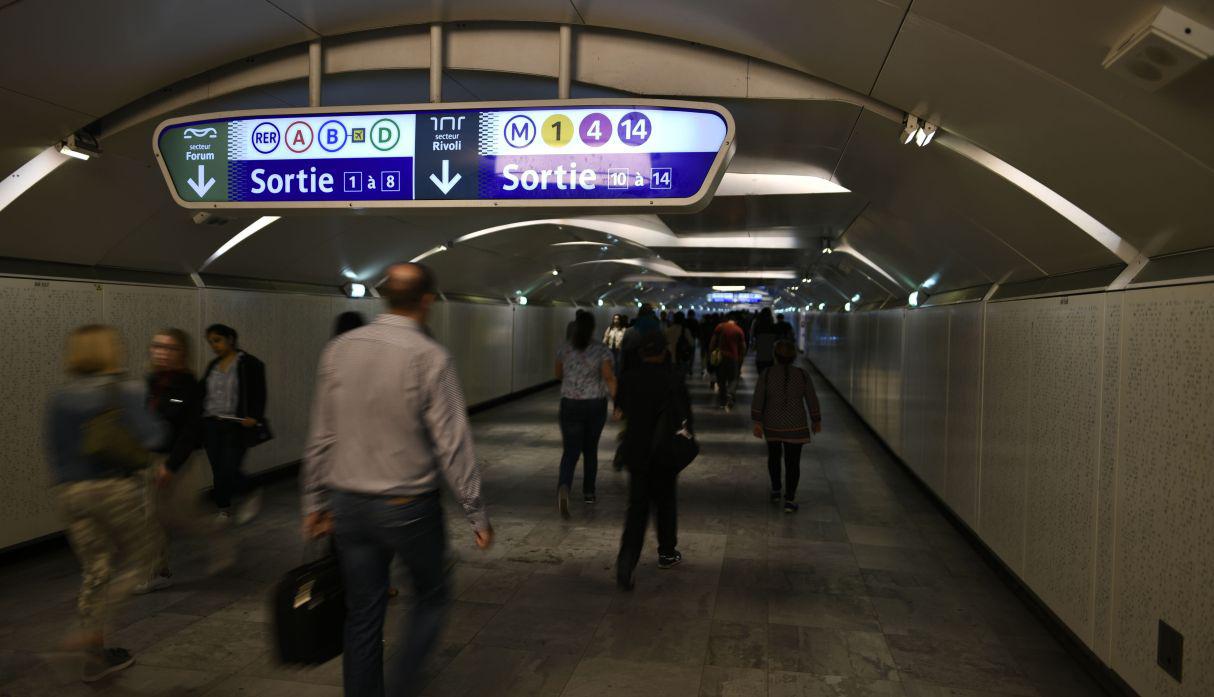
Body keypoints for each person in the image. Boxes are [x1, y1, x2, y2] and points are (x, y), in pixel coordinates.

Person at [302, 262, 493, 697]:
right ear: (427, 301)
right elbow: (454, 443)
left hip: (348, 504)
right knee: (432, 594)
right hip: (407, 506)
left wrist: (313, 502)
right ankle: (405, 683)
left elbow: (321, 433)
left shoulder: (340, 349)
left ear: (385, 296)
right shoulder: (431, 356)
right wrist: (476, 513)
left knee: (363, 611)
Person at [46, 325, 166, 682]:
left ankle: (95, 657)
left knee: (96, 571)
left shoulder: (59, 397)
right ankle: (85, 633)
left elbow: (55, 451)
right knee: (146, 556)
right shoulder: (124, 389)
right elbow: (155, 435)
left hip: (70, 493)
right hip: (112, 488)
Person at [137, 328, 229, 593]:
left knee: (183, 517)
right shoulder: (151, 381)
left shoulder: (191, 386)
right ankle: (156, 570)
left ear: (182, 353)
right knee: (150, 516)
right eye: (158, 346)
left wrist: (171, 466)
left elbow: (190, 432)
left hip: (179, 460)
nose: (162, 353)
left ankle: (218, 536)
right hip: (151, 458)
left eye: (170, 348)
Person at [614, 331, 691, 590]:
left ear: (641, 353)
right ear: (663, 351)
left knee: (636, 509)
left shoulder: (628, 378)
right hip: (665, 452)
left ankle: (626, 562)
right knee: (666, 503)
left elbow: (621, 409)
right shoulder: (673, 379)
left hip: (636, 453)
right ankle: (667, 553)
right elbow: (685, 416)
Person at [200, 324, 267, 525]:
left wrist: (254, 416)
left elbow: (259, 394)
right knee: (217, 469)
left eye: (217, 340)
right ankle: (223, 509)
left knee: (229, 467)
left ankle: (251, 489)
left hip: (236, 425)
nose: (214, 346)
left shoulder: (249, 363)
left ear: (230, 339)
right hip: (212, 423)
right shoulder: (213, 366)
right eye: (211, 342)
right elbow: (203, 392)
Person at [555, 312, 617, 515]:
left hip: (570, 404)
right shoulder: (601, 350)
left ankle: (564, 486)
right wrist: (619, 403)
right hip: (594, 405)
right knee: (590, 450)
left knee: (570, 450)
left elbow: (558, 374)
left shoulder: (564, 348)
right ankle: (589, 492)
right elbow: (608, 378)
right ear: (592, 328)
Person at [751, 340, 822, 513]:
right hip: (796, 425)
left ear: (775, 356)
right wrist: (815, 419)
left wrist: (757, 421)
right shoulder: (803, 375)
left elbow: (758, 398)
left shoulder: (767, 374)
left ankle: (776, 489)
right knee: (793, 462)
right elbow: (811, 399)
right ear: (793, 357)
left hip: (772, 423)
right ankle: (789, 499)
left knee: (774, 457)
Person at [710, 313, 747, 410]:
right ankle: (730, 393)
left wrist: (711, 353)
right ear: (736, 321)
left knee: (721, 379)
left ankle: (722, 399)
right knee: (733, 378)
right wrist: (741, 358)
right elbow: (743, 347)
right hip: (733, 357)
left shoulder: (720, 327)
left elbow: (713, 342)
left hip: (720, 357)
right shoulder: (739, 330)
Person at [619, 304, 660, 374]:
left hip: (632, 369)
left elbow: (623, 353)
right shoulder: (658, 332)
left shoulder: (629, 332)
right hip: (652, 371)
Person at [752, 308, 778, 374]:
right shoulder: (772, 322)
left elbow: (753, 333)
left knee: (760, 366)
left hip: (760, 345)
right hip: (770, 347)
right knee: (769, 366)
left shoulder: (757, 322)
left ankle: (761, 378)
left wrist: (753, 344)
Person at [683, 310, 700, 375]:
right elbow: (698, 331)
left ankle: (685, 368)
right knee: (692, 355)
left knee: (685, 355)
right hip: (692, 339)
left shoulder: (685, 321)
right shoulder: (695, 321)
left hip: (685, 341)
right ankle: (690, 368)